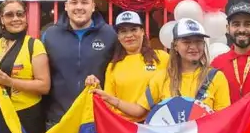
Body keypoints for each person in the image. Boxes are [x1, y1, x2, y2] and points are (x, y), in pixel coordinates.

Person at [93, 18, 232, 120]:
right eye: (187, 42)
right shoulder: (161, 78)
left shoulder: (216, 77)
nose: (193, 47)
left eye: (198, 42)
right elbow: (139, 111)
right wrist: (112, 99)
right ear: (175, 46)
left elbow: (224, 120)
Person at [41, 0, 117, 129]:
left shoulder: (110, 34)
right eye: (74, 2)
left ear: (93, 6)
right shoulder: (49, 35)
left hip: (96, 119)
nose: (79, 7)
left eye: (84, 2)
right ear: (66, 6)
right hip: (58, 120)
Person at [83, 11, 169, 122]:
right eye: (123, 31)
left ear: (142, 31)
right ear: (118, 37)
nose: (129, 35)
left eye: (134, 30)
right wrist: (97, 88)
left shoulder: (162, 58)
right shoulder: (113, 67)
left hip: (157, 125)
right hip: (125, 129)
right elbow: (109, 104)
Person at [0, 0, 50, 133]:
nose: (16, 18)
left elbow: (44, 86)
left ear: (25, 17)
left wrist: (11, 82)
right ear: (1, 19)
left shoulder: (34, 45)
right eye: (9, 15)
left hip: (25, 116)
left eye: (20, 14)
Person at [211, 1, 250, 104]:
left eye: (247, 24)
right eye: (236, 24)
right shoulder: (217, 63)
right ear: (228, 28)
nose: (241, 29)